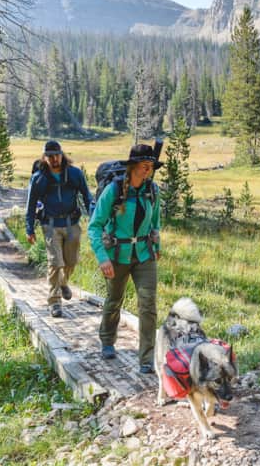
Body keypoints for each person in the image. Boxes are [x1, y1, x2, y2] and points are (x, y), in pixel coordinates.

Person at [88, 144, 162, 374]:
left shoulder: (153, 191)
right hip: (116, 256)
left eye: (151, 167)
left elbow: (156, 222)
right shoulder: (114, 190)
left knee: (148, 305)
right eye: (144, 166)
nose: (148, 171)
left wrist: (157, 245)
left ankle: (147, 358)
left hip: (144, 254)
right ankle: (108, 340)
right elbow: (94, 226)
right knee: (114, 299)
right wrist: (102, 258)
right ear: (132, 167)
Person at [26, 140, 93, 318]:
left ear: (62, 154)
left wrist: (93, 217)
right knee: (55, 263)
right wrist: (29, 228)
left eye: (56, 155)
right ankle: (54, 301)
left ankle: (63, 282)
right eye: (50, 156)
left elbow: (87, 196)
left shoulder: (74, 174)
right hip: (50, 225)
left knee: (71, 261)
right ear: (45, 157)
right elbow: (31, 204)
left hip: (72, 223)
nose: (54, 159)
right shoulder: (39, 178)